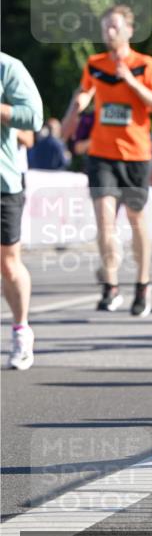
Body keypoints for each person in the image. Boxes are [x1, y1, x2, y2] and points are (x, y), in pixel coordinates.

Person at [62, 5, 152, 317]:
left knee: (137, 222)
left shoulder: (145, 65)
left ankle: (142, 284)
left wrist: (132, 83)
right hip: (101, 155)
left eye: (114, 28)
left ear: (129, 31)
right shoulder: (95, 64)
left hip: (136, 154)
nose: (108, 33)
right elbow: (84, 93)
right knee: (104, 220)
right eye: (105, 27)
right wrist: (76, 108)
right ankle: (110, 286)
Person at [1, 53, 44, 370]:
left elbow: (33, 118)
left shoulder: (8, 67)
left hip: (3, 182)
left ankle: (21, 331)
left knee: (8, 263)